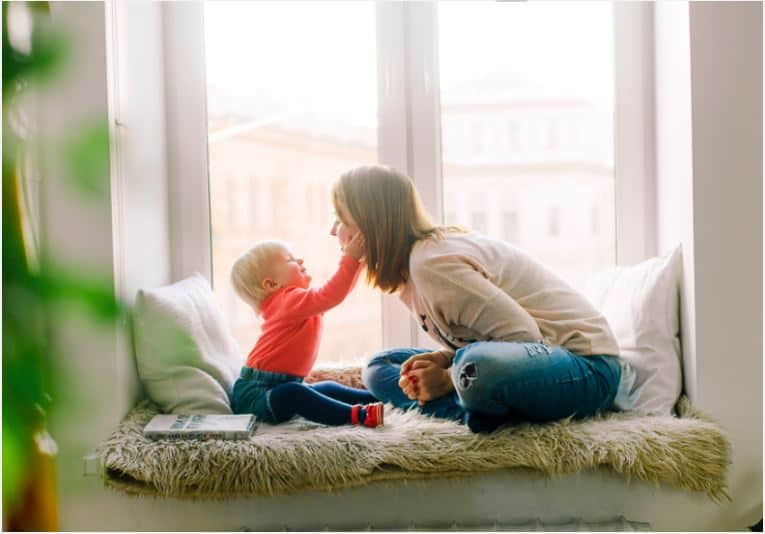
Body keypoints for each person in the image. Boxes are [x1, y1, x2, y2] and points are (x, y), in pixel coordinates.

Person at [329, 164, 637, 433]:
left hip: (587, 367)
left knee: (473, 371)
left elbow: (525, 337)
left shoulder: (431, 265)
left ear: (371, 227)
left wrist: (448, 377)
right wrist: (441, 359)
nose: (334, 231)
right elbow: (484, 338)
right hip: (529, 360)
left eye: (342, 220)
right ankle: (481, 412)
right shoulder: (411, 272)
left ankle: (473, 407)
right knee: (379, 367)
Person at [229, 236, 384, 428]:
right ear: (271, 284)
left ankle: (379, 398)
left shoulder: (296, 303)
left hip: (279, 386)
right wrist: (350, 258)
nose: (300, 261)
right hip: (255, 395)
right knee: (294, 393)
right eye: (290, 260)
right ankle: (358, 415)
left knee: (326, 388)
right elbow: (332, 294)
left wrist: (358, 263)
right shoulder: (287, 301)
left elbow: (337, 295)